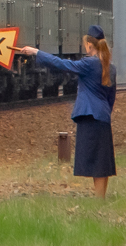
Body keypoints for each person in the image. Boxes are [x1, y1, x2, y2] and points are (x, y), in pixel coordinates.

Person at [17, 24, 117, 198]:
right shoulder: (110, 67)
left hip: (89, 116)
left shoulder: (89, 64)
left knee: (94, 160)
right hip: (103, 117)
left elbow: (62, 64)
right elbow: (111, 98)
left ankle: (100, 200)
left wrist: (36, 52)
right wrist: (105, 113)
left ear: (90, 45)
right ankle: (101, 199)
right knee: (102, 161)